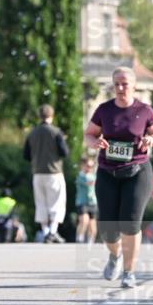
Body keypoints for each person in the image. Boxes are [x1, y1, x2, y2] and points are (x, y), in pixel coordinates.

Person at [84, 67, 153, 288]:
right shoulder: (104, 110)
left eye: (125, 84)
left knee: (130, 223)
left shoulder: (144, 110)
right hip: (107, 172)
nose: (120, 88)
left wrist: (152, 140)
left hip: (137, 171)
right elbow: (89, 134)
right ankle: (115, 256)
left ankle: (129, 272)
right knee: (109, 229)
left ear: (134, 85)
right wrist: (94, 143)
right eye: (117, 84)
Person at [23, 104, 69, 243]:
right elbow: (64, 152)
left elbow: (26, 155)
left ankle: (46, 231)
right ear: (52, 115)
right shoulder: (56, 132)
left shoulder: (32, 133)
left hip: (37, 172)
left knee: (41, 203)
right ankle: (53, 231)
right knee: (56, 203)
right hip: (54, 172)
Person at [75, 156, 98, 244]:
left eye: (91, 166)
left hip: (93, 202)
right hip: (82, 202)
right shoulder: (80, 176)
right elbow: (88, 183)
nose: (89, 168)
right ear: (83, 165)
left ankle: (91, 242)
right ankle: (80, 238)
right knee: (84, 220)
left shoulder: (93, 175)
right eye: (88, 166)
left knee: (92, 226)